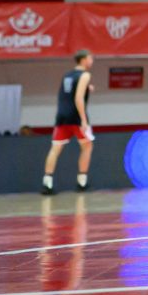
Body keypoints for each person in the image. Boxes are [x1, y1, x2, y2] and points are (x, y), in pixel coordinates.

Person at [43, 50, 96, 194]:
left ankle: (47, 183)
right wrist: (83, 120)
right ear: (83, 60)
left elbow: (67, 93)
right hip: (76, 117)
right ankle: (82, 182)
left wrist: (88, 88)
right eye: (90, 58)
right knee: (87, 146)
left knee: (55, 149)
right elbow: (78, 98)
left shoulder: (67, 75)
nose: (92, 61)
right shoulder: (85, 75)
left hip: (62, 116)